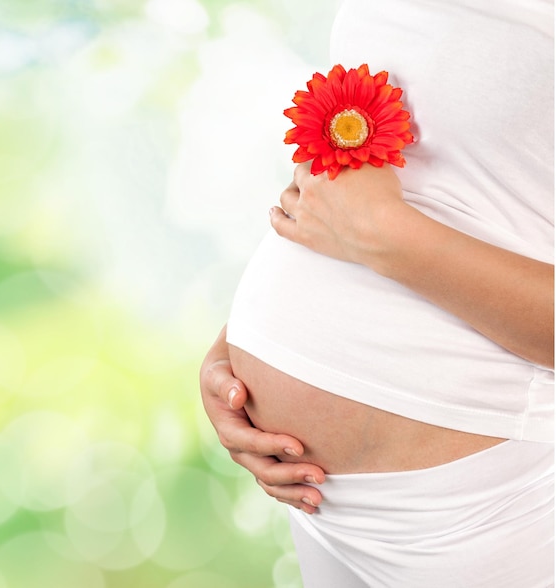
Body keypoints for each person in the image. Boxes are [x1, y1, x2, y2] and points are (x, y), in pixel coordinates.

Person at [200, 1, 554, 586]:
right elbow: (372, 189)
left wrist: (387, 235)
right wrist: (237, 354)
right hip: (318, 505)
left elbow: (376, 219)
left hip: (468, 515)